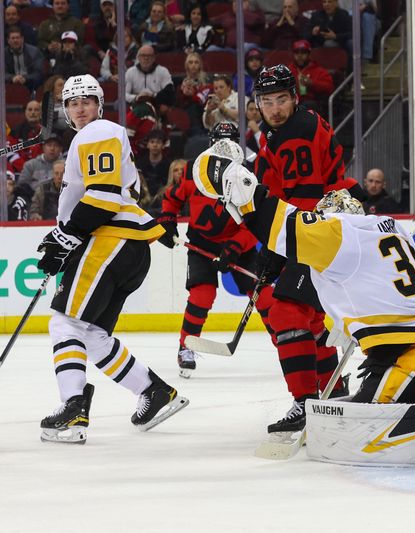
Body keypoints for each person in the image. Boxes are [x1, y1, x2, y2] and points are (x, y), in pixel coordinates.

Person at [195, 176, 415, 469]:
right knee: (350, 412)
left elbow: (286, 224)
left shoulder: (342, 238)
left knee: (361, 423)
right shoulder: (380, 233)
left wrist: (246, 196)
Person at [35, 74, 188, 444]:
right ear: (66, 111)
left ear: (99, 105)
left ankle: (73, 407)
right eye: (73, 103)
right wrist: (67, 239)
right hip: (126, 247)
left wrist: (66, 236)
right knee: (93, 335)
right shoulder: (92, 140)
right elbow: (116, 195)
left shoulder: (97, 131)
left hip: (109, 241)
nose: (80, 107)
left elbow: (103, 197)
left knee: (65, 325)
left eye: (87, 100)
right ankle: (154, 392)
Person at [252, 64, 365, 434]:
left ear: (294, 98)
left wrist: (277, 247)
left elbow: (302, 197)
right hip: (326, 227)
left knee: (284, 311)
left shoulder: (295, 133)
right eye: (267, 102)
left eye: (281, 99)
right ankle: (333, 390)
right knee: (305, 317)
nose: (275, 108)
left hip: (320, 231)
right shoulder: (282, 130)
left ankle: (305, 402)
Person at [156, 123, 273, 377]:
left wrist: (234, 247)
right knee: (202, 295)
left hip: (237, 246)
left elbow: (254, 222)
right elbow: (173, 199)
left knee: (262, 295)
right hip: (201, 245)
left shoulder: (247, 177)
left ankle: (286, 339)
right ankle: (186, 346)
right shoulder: (193, 171)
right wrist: (166, 221)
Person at [124, 45, 176, 113]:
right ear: (138, 58)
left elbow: (169, 92)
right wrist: (138, 97)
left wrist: (152, 96)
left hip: (156, 103)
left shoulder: (163, 71)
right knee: (119, 103)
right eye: (143, 55)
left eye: (149, 55)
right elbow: (124, 94)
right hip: (135, 103)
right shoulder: (130, 72)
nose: (146, 58)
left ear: (154, 57)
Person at [287, 40, 334, 114]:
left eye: (303, 53)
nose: (300, 56)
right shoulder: (288, 70)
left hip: (313, 104)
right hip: (292, 102)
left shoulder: (319, 70)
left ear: (309, 54)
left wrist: (312, 83)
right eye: (297, 53)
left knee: (308, 105)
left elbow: (329, 88)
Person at [5, 26, 45, 93]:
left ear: (22, 39)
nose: (15, 40)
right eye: (13, 38)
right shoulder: (3, 54)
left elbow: (39, 73)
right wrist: (12, 78)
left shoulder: (34, 52)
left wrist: (25, 78)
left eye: (17, 38)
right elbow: (2, 73)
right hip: (10, 85)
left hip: (31, 85)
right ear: (8, 40)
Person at [135, 129, 172, 200]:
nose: (155, 145)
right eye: (152, 142)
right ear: (148, 145)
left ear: (163, 145)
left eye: (158, 142)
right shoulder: (139, 164)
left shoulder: (169, 165)